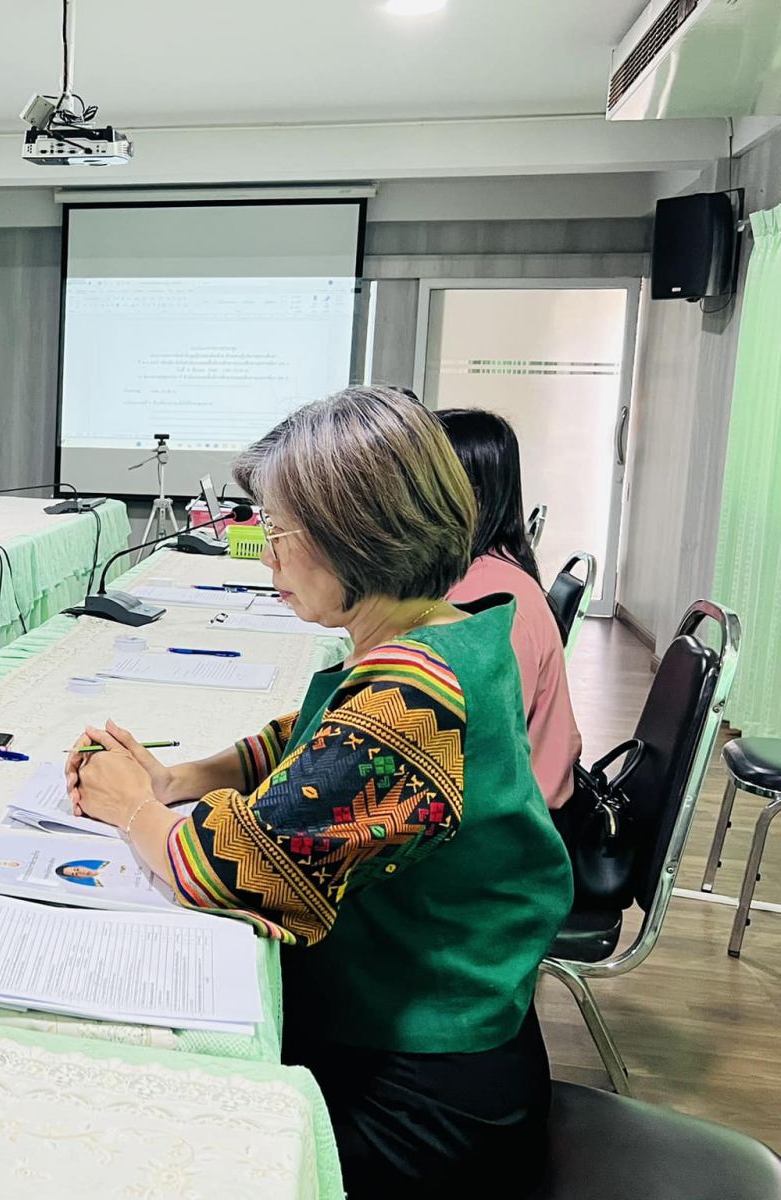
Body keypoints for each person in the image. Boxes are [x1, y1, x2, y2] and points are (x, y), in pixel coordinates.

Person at [66, 387, 571, 1200]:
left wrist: (134, 809)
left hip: (428, 1094)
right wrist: (177, 778)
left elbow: (233, 869)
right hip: (443, 1033)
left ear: (357, 536)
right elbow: (313, 743)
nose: (266, 558)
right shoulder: (445, 628)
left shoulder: (411, 694)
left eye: (278, 533)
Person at [439, 408, 583, 810]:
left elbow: (470, 745)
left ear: (466, 494)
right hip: (504, 799)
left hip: (513, 820)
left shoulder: (490, 600)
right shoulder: (484, 572)